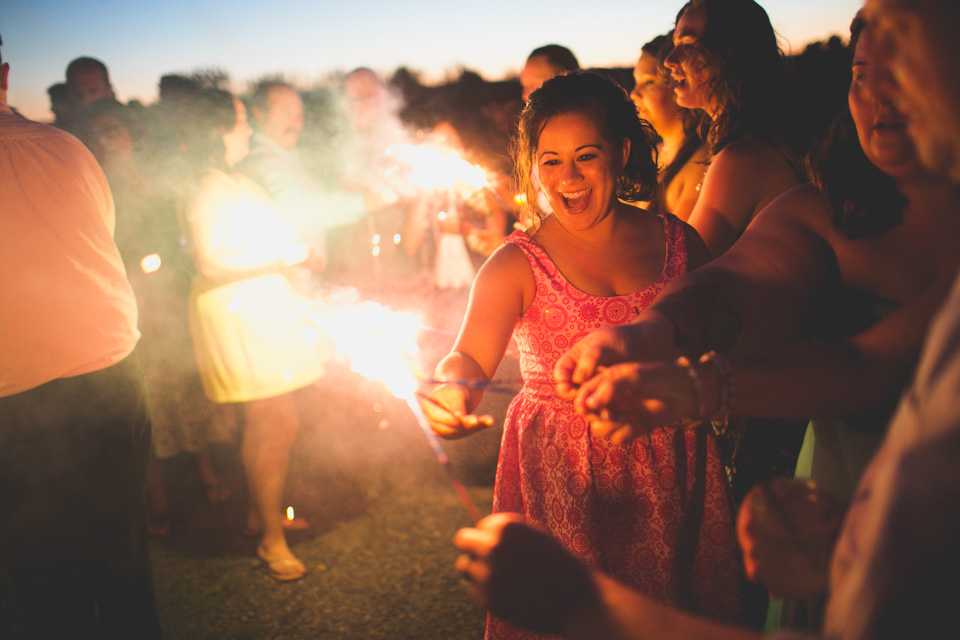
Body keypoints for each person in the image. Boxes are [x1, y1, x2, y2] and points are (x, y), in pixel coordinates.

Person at [453, 2, 960, 638]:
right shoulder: (817, 210)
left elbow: (848, 356)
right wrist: (653, 341)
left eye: (905, 61)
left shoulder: (691, 214)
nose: (878, 94)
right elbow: (784, 315)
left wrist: (588, 606)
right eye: (859, 72)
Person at [421, 71, 741, 638]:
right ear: (533, 168)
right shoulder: (515, 264)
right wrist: (450, 390)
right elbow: (466, 359)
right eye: (550, 161)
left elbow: (721, 347)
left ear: (620, 152)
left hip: (673, 461)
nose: (567, 177)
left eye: (585, 156)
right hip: (565, 478)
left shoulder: (681, 244)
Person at [0, 34, 162, 639]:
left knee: (42, 571)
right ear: (7, 73)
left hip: (16, 394)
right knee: (121, 555)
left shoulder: (68, 145)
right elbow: (100, 242)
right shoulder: (65, 148)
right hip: (110, 376)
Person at [179, 88, 327, 581]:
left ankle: (258, 516)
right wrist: (285, 256)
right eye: (241, 121)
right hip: (238, 317)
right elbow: (208, 257)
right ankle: (270, 539)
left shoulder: (231, 179)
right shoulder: (208, 185)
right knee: (276, 424)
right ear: (216, 129)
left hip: (258, 310)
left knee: (270, 424)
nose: (247, 129)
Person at [79, 97, 235, 536]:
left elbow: (181, 236)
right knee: (145, 399)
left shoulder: (157, 181)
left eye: (112, 131)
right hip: (125, 306)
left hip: (171, 299)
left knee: (186, 390)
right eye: (96, 134)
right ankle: (157, 493)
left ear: (131, 135)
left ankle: (203, 467)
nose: (104, 140)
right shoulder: (90, 182)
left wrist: (163, 260)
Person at [664, 0, 807, 257]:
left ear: (728, 52)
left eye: (686, 44)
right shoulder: (763, 138)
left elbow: (684, 269)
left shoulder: (743, 157)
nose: (669, 61)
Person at [239, 80, 368, 295]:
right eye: (286, 111)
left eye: (300, 114)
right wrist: (364, 201)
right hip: (279, 290)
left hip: (303, 284)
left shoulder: (290, 156)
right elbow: (296, 205)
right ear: (259, 115)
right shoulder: (260, 161)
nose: (296, 122)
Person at [631, 34, 708, 221]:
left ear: (679, 85)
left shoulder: (700, 166)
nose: (634, 94)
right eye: (635, 82)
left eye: (648, 82)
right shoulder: (653, 156)